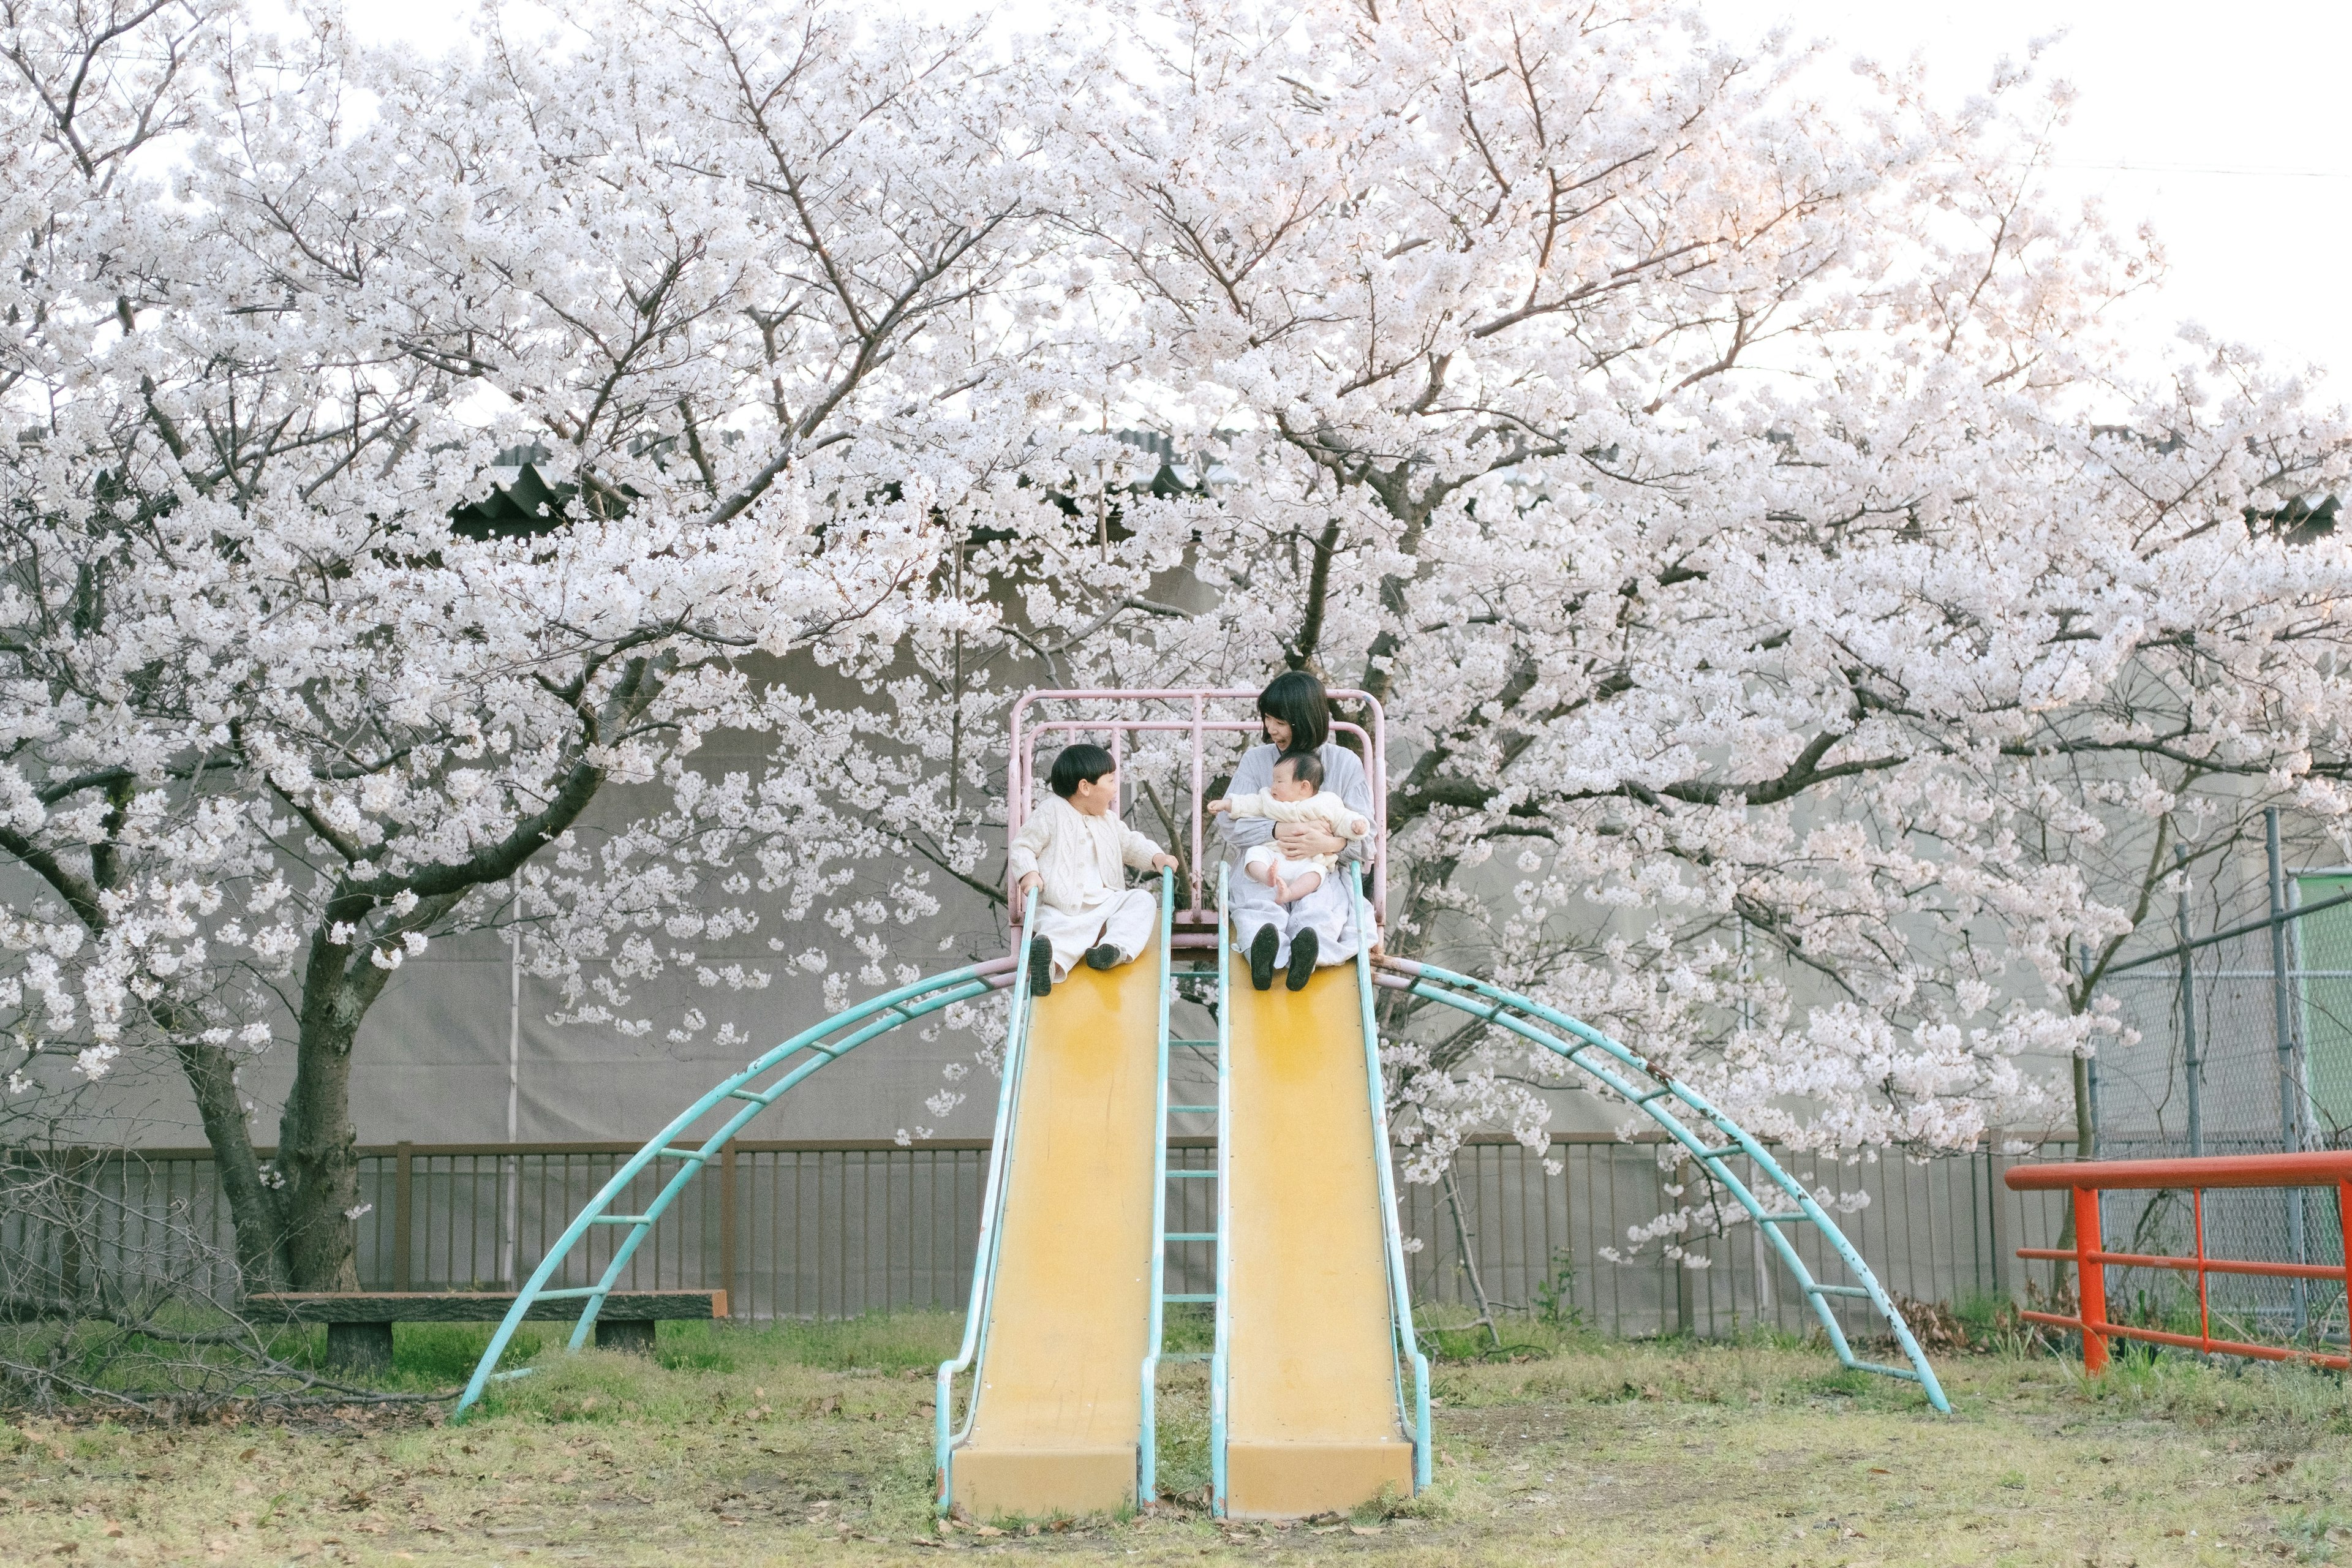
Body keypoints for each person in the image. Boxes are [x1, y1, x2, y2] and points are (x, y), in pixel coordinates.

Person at [1216, 671, 1375, 992]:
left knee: (1321, 906)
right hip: (1265, 864)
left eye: (1281, 722)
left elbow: (1366, 838)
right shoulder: (1256, 760)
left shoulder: (1344, 763)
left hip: (1320, 869)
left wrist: (1329, 842)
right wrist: (1276, 829)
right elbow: (1229, 823)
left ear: (1305, 720)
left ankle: (1309, 951)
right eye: (1268, 719)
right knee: (1258, 902)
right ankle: (1262, 951)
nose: (1272, 730)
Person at [1009, 742, 1178, 998]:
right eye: (1110, 782)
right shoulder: (1050, 813)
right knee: (1058, 932)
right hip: (1063, 909)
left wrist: (1156, 856)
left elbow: (1130, 843)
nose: (1114, 790)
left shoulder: (1108, 820)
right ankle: (1048, 967)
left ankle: (1114, 948)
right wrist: (1029, 873)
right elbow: (1022, 846)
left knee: (1142, 900)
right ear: (1085, 787)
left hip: (1106, 904)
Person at [1209, 748, 1371, 905]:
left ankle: (1290, 893)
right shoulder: (1269, 800)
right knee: (1254, 854)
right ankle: (1267, 877)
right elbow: (1249, 803)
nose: (1273, 786)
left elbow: (1342, 818)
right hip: (1275, 855)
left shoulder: (1326, 802)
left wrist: (1356, 826)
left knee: (1317, 872)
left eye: (1279, 781)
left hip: (1307, 861)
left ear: (1304, 787)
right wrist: (1227, 804)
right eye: (1273, 780)